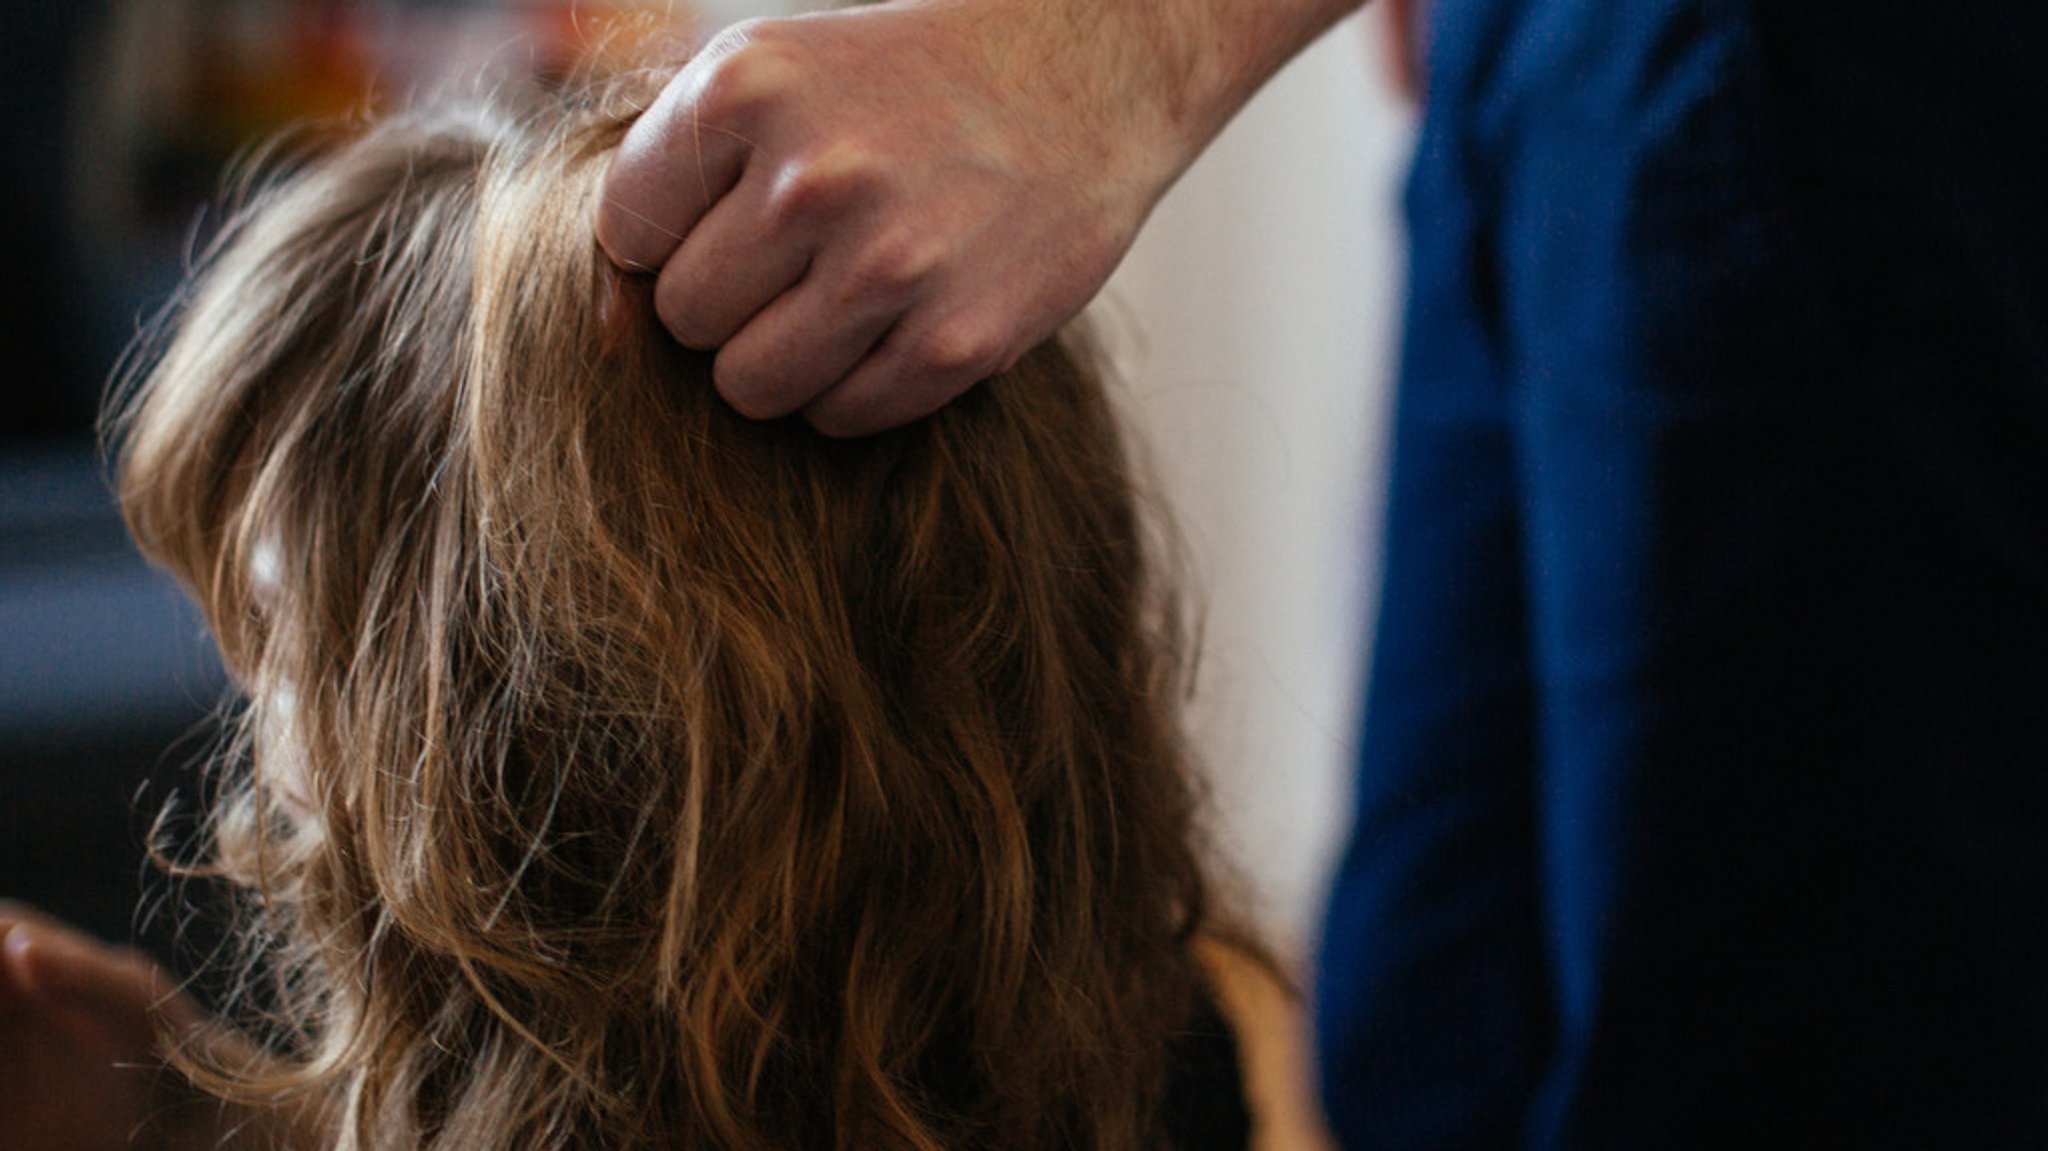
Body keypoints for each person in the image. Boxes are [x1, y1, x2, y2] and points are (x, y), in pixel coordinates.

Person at [596, 1, 2048, 1148]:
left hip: (1851, 63)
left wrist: (1111, 53)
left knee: (1766, 1054)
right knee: (1424, 1029)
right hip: (1562, 38)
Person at [0, 71, 1332, 1151]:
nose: (257, 712)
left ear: (546, 748)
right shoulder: (1158, 1045)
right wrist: (173, 1103)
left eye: (284, 635)